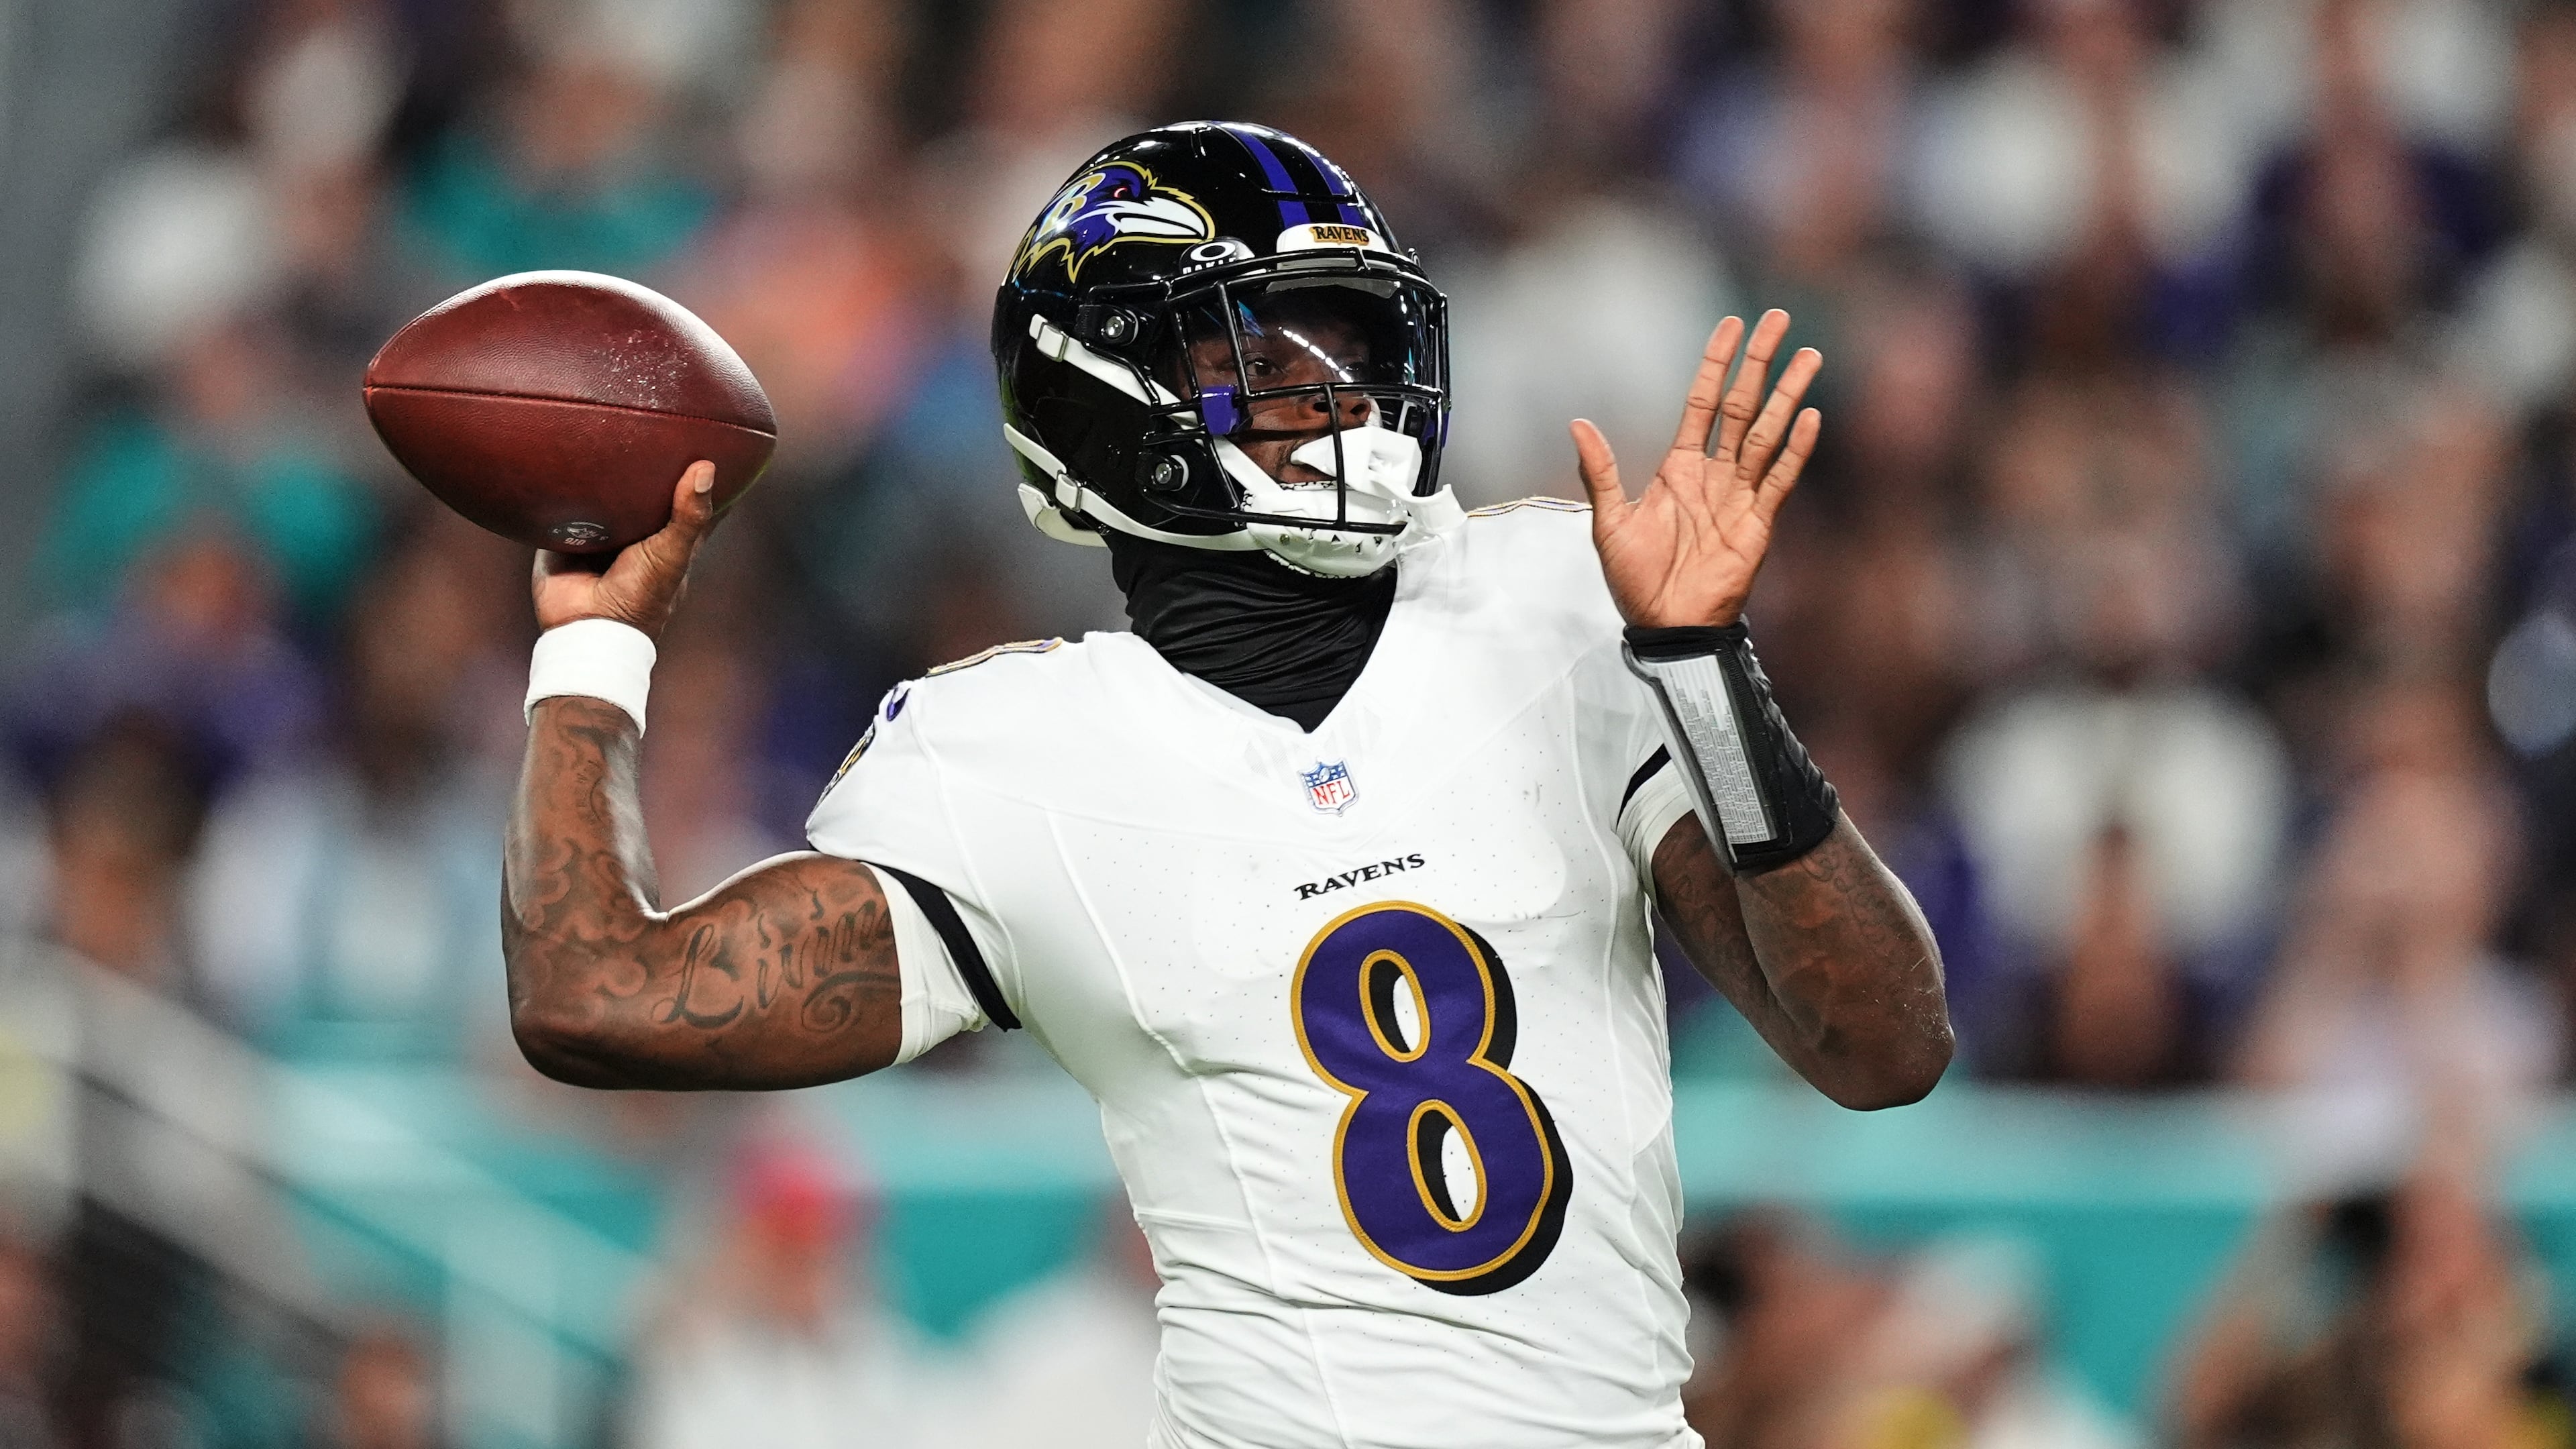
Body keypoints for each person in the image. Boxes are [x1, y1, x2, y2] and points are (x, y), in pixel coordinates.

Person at [500, 122, 1950, 1447]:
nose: (1337, 396)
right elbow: (595, 999)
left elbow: (1881, 1047)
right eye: (1264, 354)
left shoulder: (1559, 603)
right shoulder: (1016, 756)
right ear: (1106, 391)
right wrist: (594, 655)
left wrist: (1703, 665)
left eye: (1350, 340)